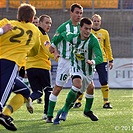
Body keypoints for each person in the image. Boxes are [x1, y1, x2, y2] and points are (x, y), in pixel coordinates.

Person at [51, 17, 103, 124]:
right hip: (75, 65)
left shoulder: (93, 40)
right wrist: (53, 45)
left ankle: (83, 111)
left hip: (88, 70)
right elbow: (63, 33)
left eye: (90, 29)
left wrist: (93, 61)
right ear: (80, 28)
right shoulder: (73, 37)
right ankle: (65, 111)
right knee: (77, 84)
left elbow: (100, 57)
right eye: (86, 28)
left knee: (87, 90)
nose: (88, 31)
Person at [0, 3, 41, 131]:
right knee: (3, 92)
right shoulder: (34, 31)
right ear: (32, 18)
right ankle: (1, 112)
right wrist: (25, 50)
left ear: (18, 15)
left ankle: (5, 115)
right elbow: (35, 51)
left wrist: (2, 31)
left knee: (25, 91)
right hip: (10, 63)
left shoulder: (6, 22)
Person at [46, 3, 83, 123]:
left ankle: (65, 109)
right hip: (65, 62)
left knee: (82, 86)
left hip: (78, 62)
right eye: (77, 12)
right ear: (71, 13)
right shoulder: (63, 28)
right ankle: (49, 115)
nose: (79, 15)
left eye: (81, 13)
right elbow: (51, 47)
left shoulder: (83, 27)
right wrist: (55, 52)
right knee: (57, 89)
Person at [73, 14, 114, 109]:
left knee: (104, 80)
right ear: (91, 22)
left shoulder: (104, 32)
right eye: (94, 21)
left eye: (98, 21)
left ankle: (106, 101)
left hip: (101, 60)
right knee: (84, 80)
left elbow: (107, 47)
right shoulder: (87, 32)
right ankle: (79, 101)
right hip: (88, 59)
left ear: (100, 22)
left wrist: (110, 59)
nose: (96, 22)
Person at [26, 14, 54, 119]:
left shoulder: (31, 34)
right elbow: (49, 51)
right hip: (42, 67)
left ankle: (30, 98)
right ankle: (47, 113)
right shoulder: (43, 35)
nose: (49, 25)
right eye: (47, 23)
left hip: (30, 67)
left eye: (50, 23)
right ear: (40, 23)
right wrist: (58, 58)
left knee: (37, 92)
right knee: (48, 90)